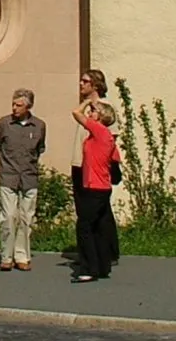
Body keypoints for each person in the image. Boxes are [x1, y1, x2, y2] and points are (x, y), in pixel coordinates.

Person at [0, 88, 47, 272]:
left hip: (29, 177)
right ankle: (6, 256)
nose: (14, 108)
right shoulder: (4, 124)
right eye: (13, 104)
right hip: (9, 176)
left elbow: (39, 149)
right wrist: (5, 166)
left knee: (26, 218)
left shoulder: (39, 126)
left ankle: (22, 256)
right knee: (8, 217)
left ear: (28, 106)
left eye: (19, 105)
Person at [72, 94, 120, 283]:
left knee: (84, 227)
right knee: (99, 227)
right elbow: (115, 158)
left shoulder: (100, 131)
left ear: (100, 117)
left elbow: (76, 113)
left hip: (94, 188)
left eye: (93, 112)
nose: (90, 113)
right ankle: (102, 266)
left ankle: (88, 268)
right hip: (100, 187)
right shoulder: (103, 137)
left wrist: (88, 102)